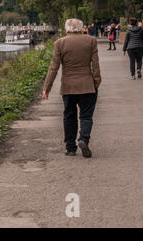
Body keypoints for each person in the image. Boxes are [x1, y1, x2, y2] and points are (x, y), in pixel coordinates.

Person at [43, 18, 101, 158]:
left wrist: (47, 87)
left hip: (68, 86)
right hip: (87, 85)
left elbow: (54, 67)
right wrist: (96, 82)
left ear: (67, 28)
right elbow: (95, 65)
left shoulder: (60, 43)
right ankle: (83, 139)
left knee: (69, 116)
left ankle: (70, 148)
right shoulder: (91, 41)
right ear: (81, 28)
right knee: (86, 116)